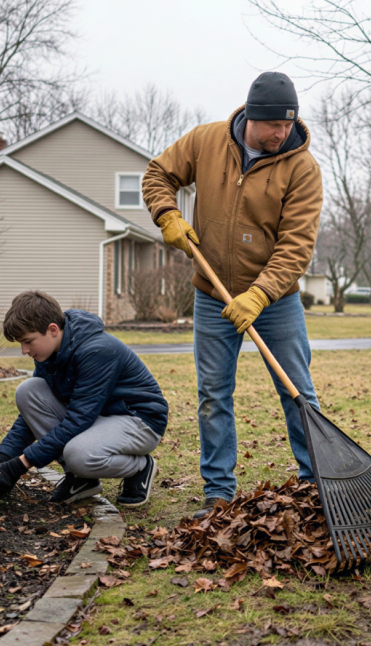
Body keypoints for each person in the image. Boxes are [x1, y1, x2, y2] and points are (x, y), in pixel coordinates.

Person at [142, 72, 324, 519]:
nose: (281, 133)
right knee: (213, 395)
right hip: (212, 296)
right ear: (250, 118)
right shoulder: (206, 142)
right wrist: (167, 213)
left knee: (298, 391)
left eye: (288, 124)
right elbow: (157, 174)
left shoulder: (302, 168)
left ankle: (317, 484)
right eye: (273, 126)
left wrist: (259, 295)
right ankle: (218, 493)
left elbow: (296, 245)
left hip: (276, 303)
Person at [0, 291, 169, 507]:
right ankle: (81, 479)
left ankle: (141, 467)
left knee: (79, 455)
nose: (24, 350)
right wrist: (1, 460)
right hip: (97, 418)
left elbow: (78, 420)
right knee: (28, 390)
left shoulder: (97, 350)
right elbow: (30, 418)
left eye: (28, 341)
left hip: (138, 420)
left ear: (52, 329)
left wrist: (19, 466)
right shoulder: (50, 353)